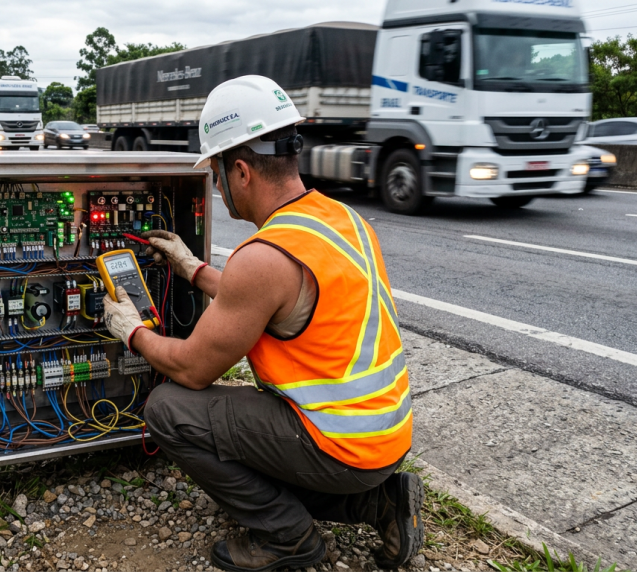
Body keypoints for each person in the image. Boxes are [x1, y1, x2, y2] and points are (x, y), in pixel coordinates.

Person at [102, 75, 423, 572]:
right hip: (385, 439)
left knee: (169, 408)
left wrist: (132, 330)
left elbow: (191, 370)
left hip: (338, 446)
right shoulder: (339, 218)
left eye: (216, 171)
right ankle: (380, 504)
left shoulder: (263, 257)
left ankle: (288, 539)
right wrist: (195, 270)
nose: (216, 184)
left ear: (243, 172)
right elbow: (276, 298)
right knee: (257, 454)